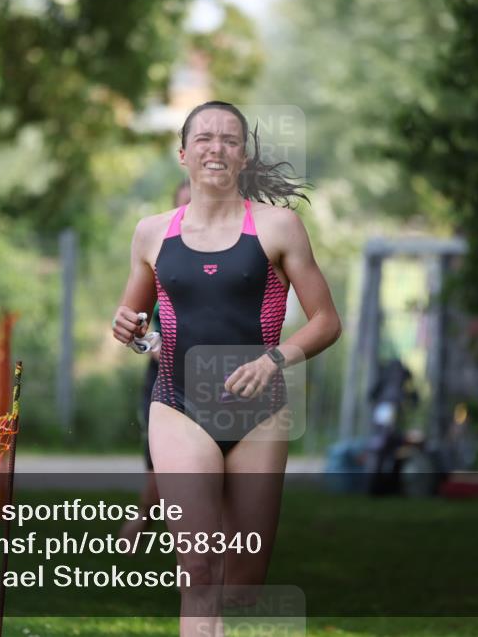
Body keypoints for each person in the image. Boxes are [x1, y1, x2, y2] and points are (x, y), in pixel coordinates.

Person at [111, 101, 341, 636]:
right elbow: (136, 322)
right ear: (183, 153)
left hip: (259, 416)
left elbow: (327, 321)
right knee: (198, 569)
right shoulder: (151, 233)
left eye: (230, 139)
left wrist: (275, 359)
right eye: (205, 138)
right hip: (177, 408)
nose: (217, 147)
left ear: (244, 155)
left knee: (243, 584)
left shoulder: (279, 227)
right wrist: (128, 329)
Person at [119, 179, 191, 544]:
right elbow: (135, 326)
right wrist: (150, 343)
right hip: (164, 379)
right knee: (161, 463)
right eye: (183, 205)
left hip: (217, 382)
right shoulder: (159, 256)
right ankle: (145, 519)